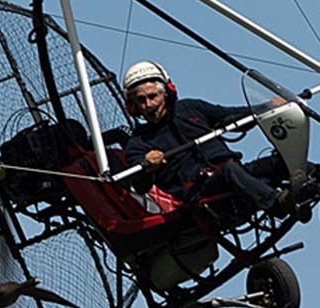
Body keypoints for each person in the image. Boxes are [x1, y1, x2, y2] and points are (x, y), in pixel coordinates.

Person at [120, 60, 285, 212]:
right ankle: (278, 203)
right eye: (141, 100)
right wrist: (147, 168)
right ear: (133, 107)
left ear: (166, 94)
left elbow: (233, 116)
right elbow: (140, 185)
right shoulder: (138, 143)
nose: (148, 105)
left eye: (152, 97)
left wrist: (268, 107)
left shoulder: (190, 108)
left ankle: (308, 183)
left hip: (234, 173)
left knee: (278, 162)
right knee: (229, 171)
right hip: (202, 193)